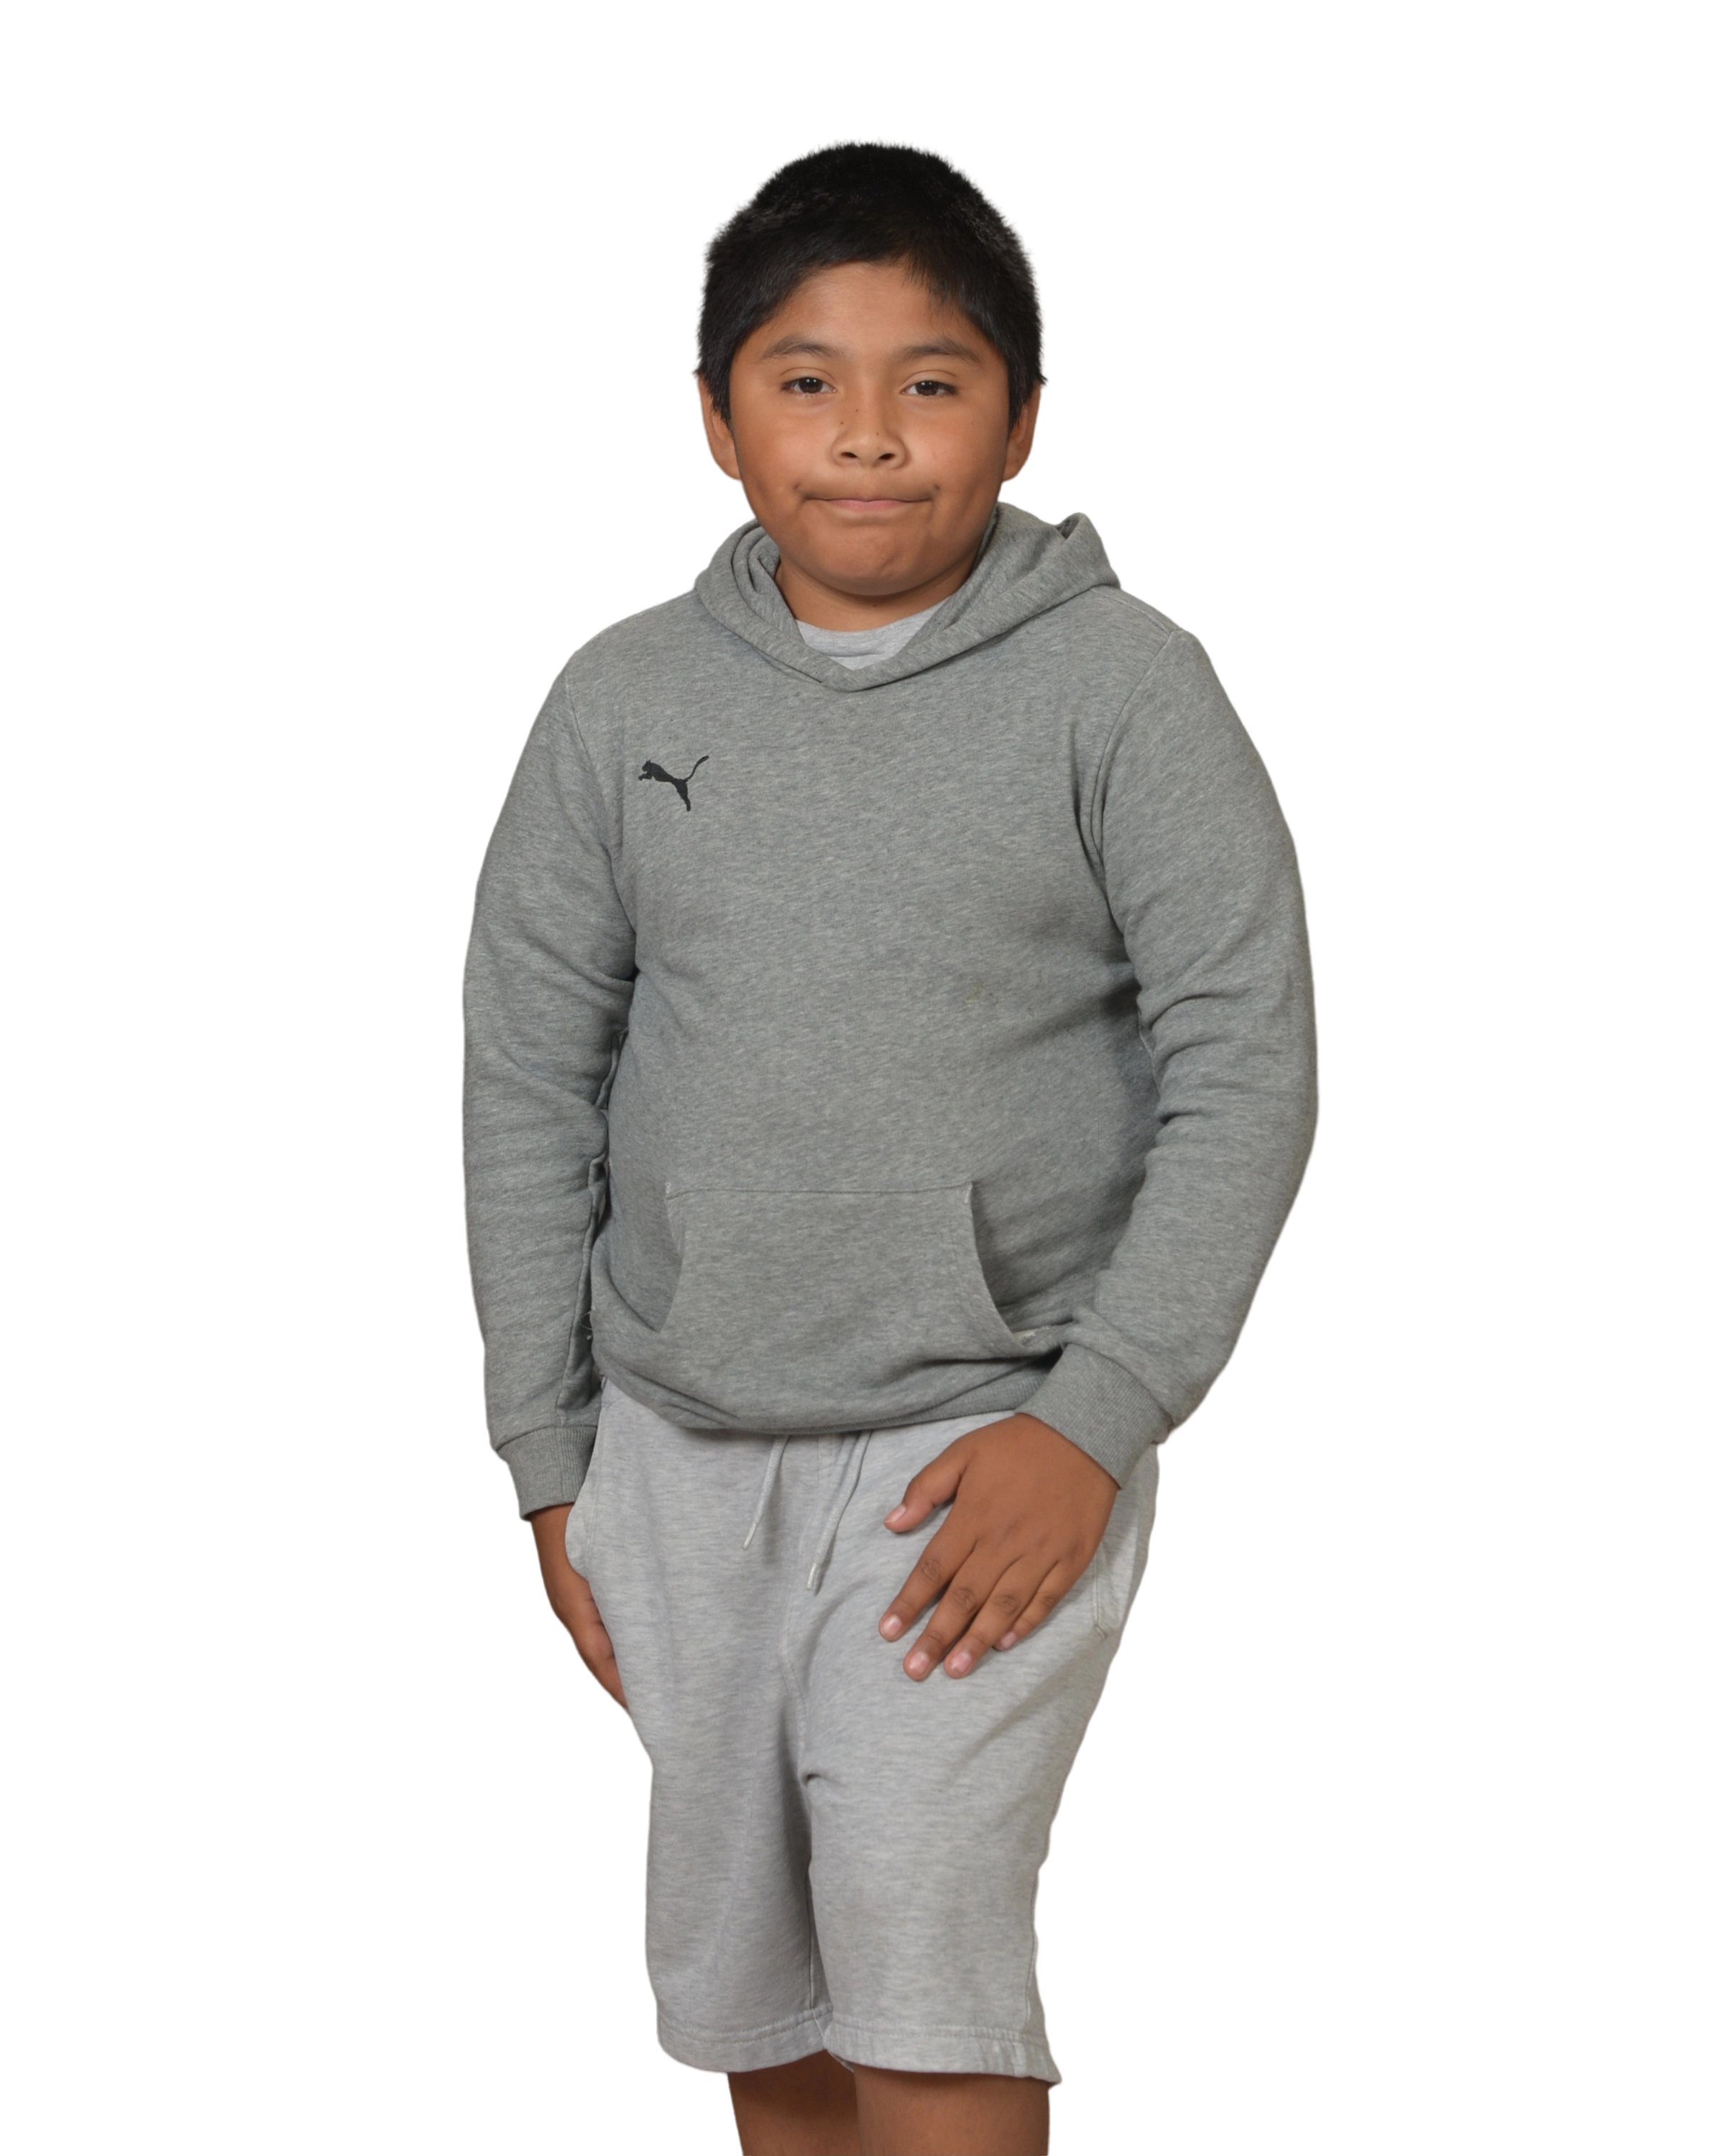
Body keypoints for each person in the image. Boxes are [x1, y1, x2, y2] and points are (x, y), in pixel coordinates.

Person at [459, 134, 1321, 2156]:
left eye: (931, 381)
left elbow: (1248, 1061)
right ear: (716, 417)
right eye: (804, 379)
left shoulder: (1126, 687)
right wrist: (550, 1456)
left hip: (978, 1454)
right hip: (674, 1448)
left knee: (924, 1989)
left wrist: (1093, 1419)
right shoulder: (621, 697)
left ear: (1023, 416)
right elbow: (527, 1074)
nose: (867, 435)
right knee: (759, 2010)